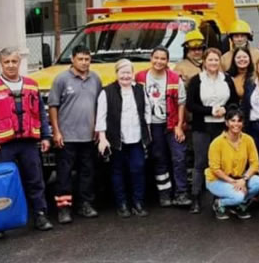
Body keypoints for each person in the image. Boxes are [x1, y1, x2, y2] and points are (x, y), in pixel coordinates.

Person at [0, 47, 53, 235]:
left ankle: (40, 214)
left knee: (35, 180)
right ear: (0, 64)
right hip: (2, 145)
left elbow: (41, 114)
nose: (11, 65)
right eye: (7, 62)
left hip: (28, 143)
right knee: (1, 184)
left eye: (14, 61)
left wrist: (45, 136)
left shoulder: (31, 84)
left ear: (20, 63)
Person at [48, 44, 102, 224]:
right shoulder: (61, 79)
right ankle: (64, 208)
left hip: (89, 136)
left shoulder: (95, 79)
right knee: (64, 173)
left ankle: (85, 204)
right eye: (80, 59)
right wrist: (56, 132)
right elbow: (53, 106)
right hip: (67, 137)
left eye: (87, 59)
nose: (84, 62)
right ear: (72, 59)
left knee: (87, 172)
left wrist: (98, 129)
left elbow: (99, 106)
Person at [136, 47, 190, 208]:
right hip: (151, 126)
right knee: (159, 158)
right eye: (156, 58)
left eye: (163, 59)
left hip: (171, 125)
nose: (159, 61)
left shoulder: (174, 78)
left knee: (179, 157)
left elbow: (181, 103)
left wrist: (179, 126)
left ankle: (181, 192)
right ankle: (164, 193)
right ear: (151, 58)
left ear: (167, 61)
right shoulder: (140, 77)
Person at [96, 60, 150, 218]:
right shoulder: (106, 92)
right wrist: (102, 138)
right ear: (117, 74)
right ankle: (122, 204)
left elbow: (147, 112)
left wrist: (148, 133)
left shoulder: (140, 89)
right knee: (117, 172)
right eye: (122, 72)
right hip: (116, 140)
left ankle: (138, 203)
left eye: (128, 72)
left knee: (138, 169)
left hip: (137, 138)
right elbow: (101, 117)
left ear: (133, 74)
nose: (126, 76)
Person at [187, 48, 238, 214]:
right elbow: (190, 105)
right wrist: (210, 111)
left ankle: (218, 196)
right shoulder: (196, 80)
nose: (213, 63)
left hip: (222, 127)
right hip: (202, 127)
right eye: (210, 60)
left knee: (221, 163)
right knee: (200, 162)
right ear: (204, 61)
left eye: (216, 60)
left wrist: (225, 109)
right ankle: (195, 197)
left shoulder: (227, 79)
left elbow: (234, 101)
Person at [205, 106, 259, 220]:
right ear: (227, 123)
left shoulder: (248, 140)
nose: (236, 124)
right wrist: (233, 182)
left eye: (239, 121)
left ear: (243, 123)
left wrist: (244, 180)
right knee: (238, 196)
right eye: (232, 120)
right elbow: (215, 169)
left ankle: (238, 205)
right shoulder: (217, 143)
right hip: (216, 179)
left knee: (258, 182)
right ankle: (220, 203)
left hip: (239, 178)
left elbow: (255, 163)